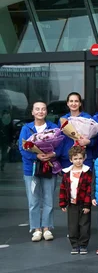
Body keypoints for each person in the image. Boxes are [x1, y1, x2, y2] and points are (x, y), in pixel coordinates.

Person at [19, 101, 61, 242]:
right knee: (33, 200)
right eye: (37, 109)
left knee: (49, 198)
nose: (40, 112)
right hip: (31, 169)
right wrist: (35, 155)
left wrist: (52, 154)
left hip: (49, 166)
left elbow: (60, 146)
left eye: (43, 109)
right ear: (32, 112)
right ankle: (36, 229)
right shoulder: (26, 128)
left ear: (46, 112)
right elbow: (22, 148)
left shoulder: (53, 128)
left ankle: (47, 228)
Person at [59, 146, 93, 255]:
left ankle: (83, 245)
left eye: (80, 158)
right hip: (72, 204)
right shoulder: (66, 173)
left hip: (84, 204)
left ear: (84, 158)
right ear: (70, 160)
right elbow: (63, 188)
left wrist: (87, 205)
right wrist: (63, 203)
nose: (78, 161)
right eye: (75, 159)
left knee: (84, 225)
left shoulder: (87, 172)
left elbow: (89, 189)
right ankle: (74, 245)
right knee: (72, 226)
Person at [62, 92, 97, 167]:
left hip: (85, 159)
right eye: (71, 101)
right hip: (68, 159)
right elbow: (60, 140)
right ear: (67, 103)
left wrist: (88, 142)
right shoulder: (63, 120)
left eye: (76, 101)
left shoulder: (88, 118)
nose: (73, 103)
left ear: (80, 103)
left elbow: (96, 139)